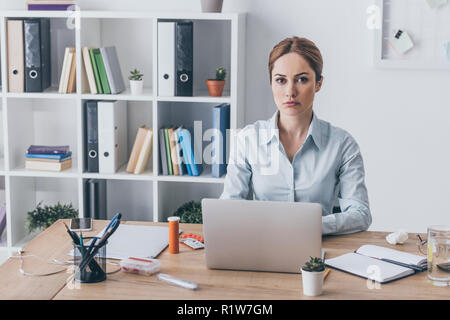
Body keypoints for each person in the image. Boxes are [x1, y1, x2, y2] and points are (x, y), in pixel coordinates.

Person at [220, 36, 372, 235]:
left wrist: (310, 226)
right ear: (271, 84)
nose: (290, 92)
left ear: (318, 84)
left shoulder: (342, 145)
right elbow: (229, 208)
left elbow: (360, 214)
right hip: (261, 247)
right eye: (281, 80)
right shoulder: (248, 140)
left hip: (318, 253)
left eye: (302, 79)